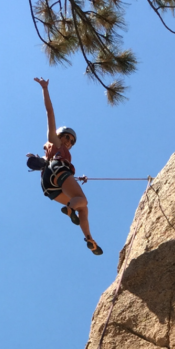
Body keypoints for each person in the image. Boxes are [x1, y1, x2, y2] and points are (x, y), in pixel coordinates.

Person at [30, 77, 102, 255]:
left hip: (50, 185)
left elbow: (61, 174)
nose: (68, 141)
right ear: (59, 135)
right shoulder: (54, 141)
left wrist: (75, 178)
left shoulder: (59, 152)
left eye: (71, 141)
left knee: (83, 207)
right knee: (81, 200)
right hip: (56, 171)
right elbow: (49, 112)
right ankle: (70, 209)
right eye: (67, 137)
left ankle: (89, 239)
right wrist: (45, 89)